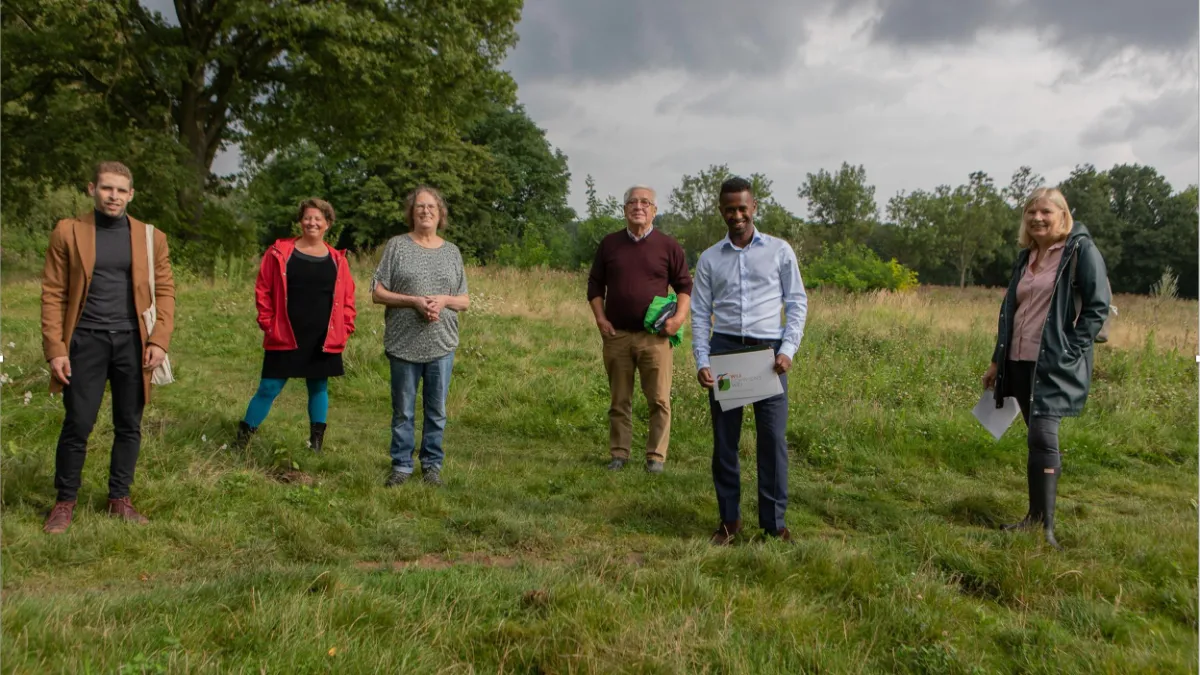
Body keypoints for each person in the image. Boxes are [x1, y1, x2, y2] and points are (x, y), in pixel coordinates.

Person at [40, 161, 176, 534]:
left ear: (131, 194)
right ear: (91, 189)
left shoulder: (151, 237)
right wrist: (56, 348)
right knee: (78, 423)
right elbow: (53, 292)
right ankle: (65, 502)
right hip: (85, 340)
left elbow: (164, 291)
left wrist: (159, 340)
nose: (113, 196)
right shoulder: (68, 232)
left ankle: (119, 498)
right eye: (106, 188)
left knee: (129, 424)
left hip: (133, 343)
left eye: (120, 190)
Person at [982, 187, 1110, 550]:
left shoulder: (1080, 251)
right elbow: (1011, 311)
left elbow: (1098, 307)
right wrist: (997, 359)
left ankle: (1045, 529)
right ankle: (1035, 519)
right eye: (1031, 212)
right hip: (1019, 360)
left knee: (1042, 435)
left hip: (1053, 363)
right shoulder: (1027, 257)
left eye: (1046, 212)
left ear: (1063, 215)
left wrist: (1070, 348)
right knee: (1034, 438)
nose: (1037, 218)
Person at [692, 176, 807, 545]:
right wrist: (701, 360)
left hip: (769, 356)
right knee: (725, 441)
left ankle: (774, 524)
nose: (737, 215)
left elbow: (797, 302)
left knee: (771, 439)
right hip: (726, 352)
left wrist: (788, 349)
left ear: (754, 207)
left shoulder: (779, 251)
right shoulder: (710, 258)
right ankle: (729, 521)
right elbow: (698, 313)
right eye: (730, 209)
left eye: (743, 208)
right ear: (721, 210)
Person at [235, 198, 356, 453]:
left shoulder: (337, 260)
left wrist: (345, 328)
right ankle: (241, 441)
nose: (311, 223)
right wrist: (268, 323)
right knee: (269, 387)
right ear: (300, 221)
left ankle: (316, 445)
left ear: (327, 224)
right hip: (284, 333)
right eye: (307, 218)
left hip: (322, 336)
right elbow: (263, 289)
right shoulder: (278, 252)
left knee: (318, 386)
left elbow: (347, 299)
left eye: (317, 219)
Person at [586, 185, 692, 474]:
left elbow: (685, 286)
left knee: (659, 399)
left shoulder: (669, 246)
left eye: (645, 202)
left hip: (656, 338)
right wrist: (600, 318)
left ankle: (655, 457)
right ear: (624, 210)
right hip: (616, 335)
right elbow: (594, 285)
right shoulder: (609, 244)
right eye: (632, 202)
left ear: (654, 210)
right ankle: (619, 454)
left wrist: (678, 319)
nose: (638, 206)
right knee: (619, 399)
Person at [372, 186, 469, 487]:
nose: (425, 211)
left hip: (442, 344)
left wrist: (442, 300)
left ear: (441, 214)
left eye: (431, 207)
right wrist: (413, 301)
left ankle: (431, 465)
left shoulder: (452, 251)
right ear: (411, 213)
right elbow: (377, 292)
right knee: (403, 409)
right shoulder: (397, 246)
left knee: (436, 409)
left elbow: (464, 300)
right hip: (404, 343)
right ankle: (401, 464)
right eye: (419, 207)